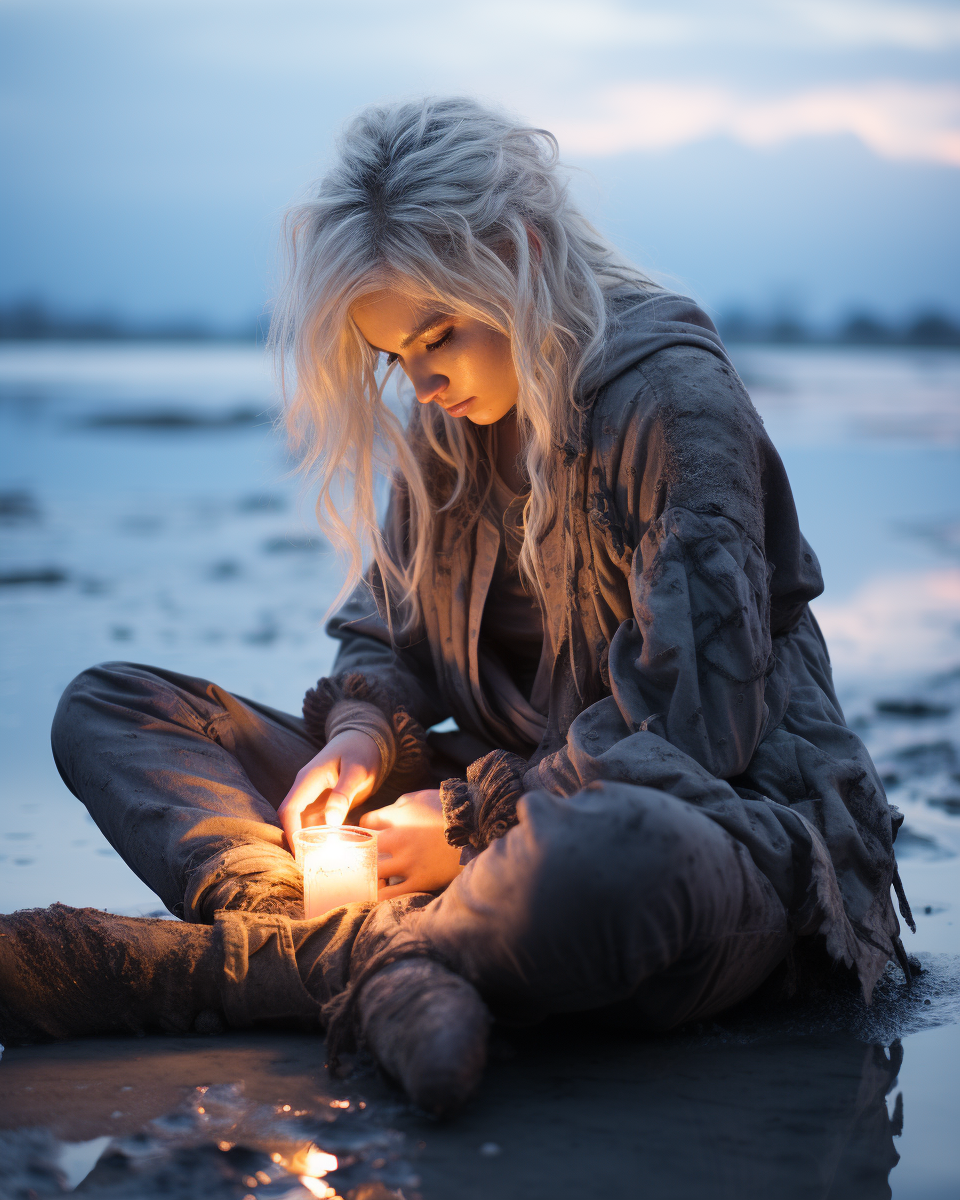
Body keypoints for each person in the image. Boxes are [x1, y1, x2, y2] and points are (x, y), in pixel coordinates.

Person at [0, 97, 912, 1117]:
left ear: (518, 253)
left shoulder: (671, 400)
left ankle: (231, 972)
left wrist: (475, 825)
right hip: (481, 818)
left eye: (436, 335)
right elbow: (380, 629)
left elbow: (699, 727)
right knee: (113, 706)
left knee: (607, 862)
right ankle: (369, 951)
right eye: (396, 356)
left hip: (706, 821)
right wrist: (355, 739)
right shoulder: (452, 420)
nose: (421, 380)